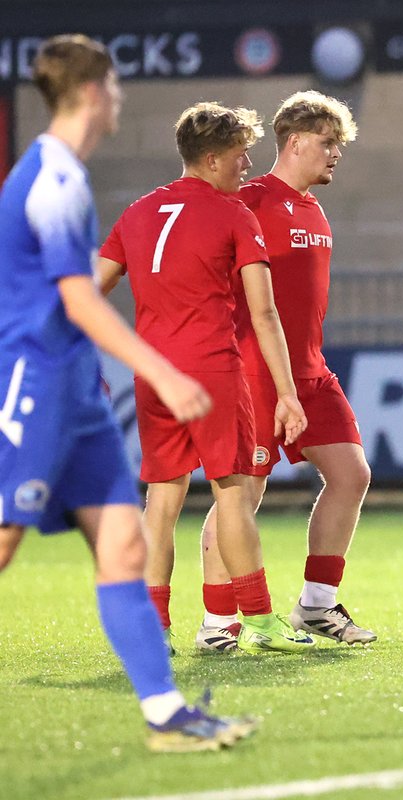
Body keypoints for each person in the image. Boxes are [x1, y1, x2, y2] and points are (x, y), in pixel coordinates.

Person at [0, 34, 255, 751]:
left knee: (121, 547)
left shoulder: (71, 177)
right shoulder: (51, 180)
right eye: (113, 86)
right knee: (6, 540)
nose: (119, 99)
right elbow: (79, 301)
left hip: (77, 392)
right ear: (90, 93)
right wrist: (167, 371)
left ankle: (166, 714)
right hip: (37, 382)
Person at [96, 101, 315, 655]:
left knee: (161, 502)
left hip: (153, 375)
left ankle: (151, 626)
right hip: (212, 371)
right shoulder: (234, 215)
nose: (247, 163)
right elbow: (263, 314)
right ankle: (262, 621)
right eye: (240, 154)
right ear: (212, 157)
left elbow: (86, 292)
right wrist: (286, 394)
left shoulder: (139, 212)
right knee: (234, 495)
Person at [193, 91, 375, 651]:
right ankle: (217, 623)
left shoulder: (314, 209)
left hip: (311, 371)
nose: (335, 153)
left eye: (338, 144)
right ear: (294, 142)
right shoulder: (248, 201)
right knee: (241, 494)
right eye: (327, 143)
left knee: (351, 475)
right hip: (254, 371)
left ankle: (316, 606)